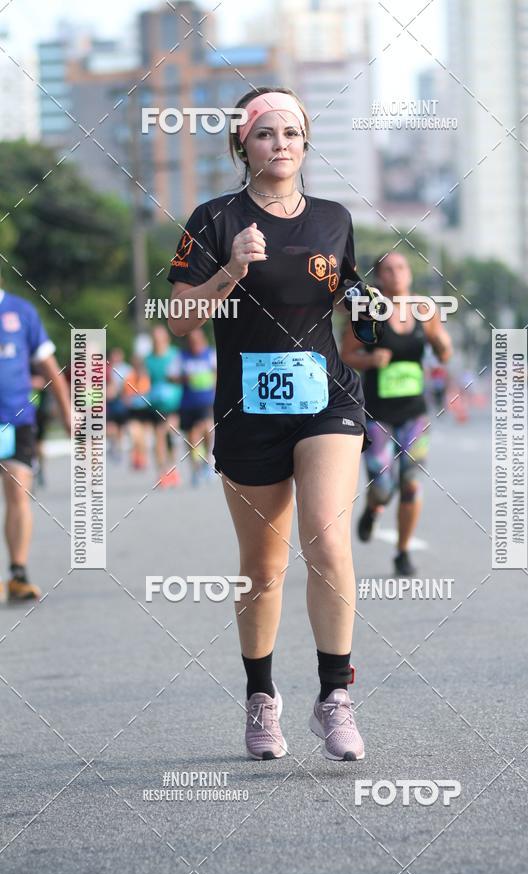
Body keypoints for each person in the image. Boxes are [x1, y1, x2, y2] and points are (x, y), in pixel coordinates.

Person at [168, 87, 382, 761]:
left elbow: (346, 297)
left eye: (291, 132)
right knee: (262, 568)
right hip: (247, 410)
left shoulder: (334, 219)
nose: (280, 144)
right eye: (265, 133)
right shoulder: (213, 219)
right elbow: (179, 322)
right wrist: (232, 268)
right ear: (242, 144)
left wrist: (367, 315)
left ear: (306, 142)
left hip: (327, 402)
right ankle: (261, 698)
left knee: (327, 539)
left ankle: (335, 697)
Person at [341, 252, 452, 576]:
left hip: (415, 413)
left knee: (411, 484)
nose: (396, 273)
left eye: (401, 267)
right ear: (379, 277)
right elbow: (345, 354)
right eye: (388, 269)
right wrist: (370, 360)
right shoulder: (367, 311)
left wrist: (439, 340)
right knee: (383, 487)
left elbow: (444, 354)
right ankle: (373, 508)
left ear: (409, 273)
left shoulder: (424, 310)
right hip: (378, 414)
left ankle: (402, 552)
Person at [0, 280, 70, 601]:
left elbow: (50, 367)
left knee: (18, 492)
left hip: (16, 420)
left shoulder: (22, 312)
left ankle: (18, 574)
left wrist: (67, 412)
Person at [167, 327, 217, 486]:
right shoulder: (182, 357)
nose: (195, 344)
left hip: (206, 402)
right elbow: (170, 376)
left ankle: (207, 460)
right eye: (192, 342)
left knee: (206, 427)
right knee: (191, 437)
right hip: (188, 404)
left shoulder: (210, 354)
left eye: (198, 341)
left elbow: (220, 372)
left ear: (203, 340)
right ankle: (196, 469)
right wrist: (184, 379)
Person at [144, 326, 183, 488]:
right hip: (156, 405)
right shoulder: (148, 359)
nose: (157, 342)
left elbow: (183, 376)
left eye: (160, 339)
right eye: (154, 340)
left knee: (166, 433)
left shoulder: (175, 355)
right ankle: (163, 471)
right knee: (160, 437)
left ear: (166, 339)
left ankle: (171, 469)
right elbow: (145, 381)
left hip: (175, 404)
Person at [122, 355, 152, 470]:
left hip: (145, 411)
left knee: (143, 436)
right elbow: (125, 396)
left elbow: (149, 393)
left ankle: (142, 457)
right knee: (134, 434)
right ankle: (136, 457)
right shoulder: (129, 378)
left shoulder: (147, 377)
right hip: (134, 412)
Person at [106, 347, 131, 462]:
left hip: (121, 401)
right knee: (111, 426)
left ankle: (118, 447)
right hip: (109, 402)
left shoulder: (127, 369)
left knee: (120, 426)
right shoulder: (107, 368)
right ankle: (114, 444)